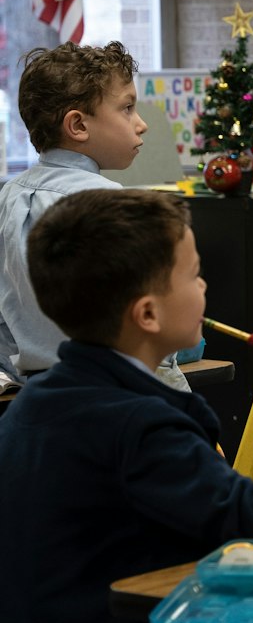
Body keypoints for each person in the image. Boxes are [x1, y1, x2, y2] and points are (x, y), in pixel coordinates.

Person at [0, 188, 253, 623]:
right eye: (194, 275)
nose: (205, 287)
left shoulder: (36, 402)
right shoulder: (139, 426)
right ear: (147, 313)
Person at [0, 41, 188, 390]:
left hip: (36, 396)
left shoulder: (7, 197)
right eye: (127, 108)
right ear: (78, 126)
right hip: (117, 392)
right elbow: (148, 321)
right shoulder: (110, 207)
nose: (141, 124)